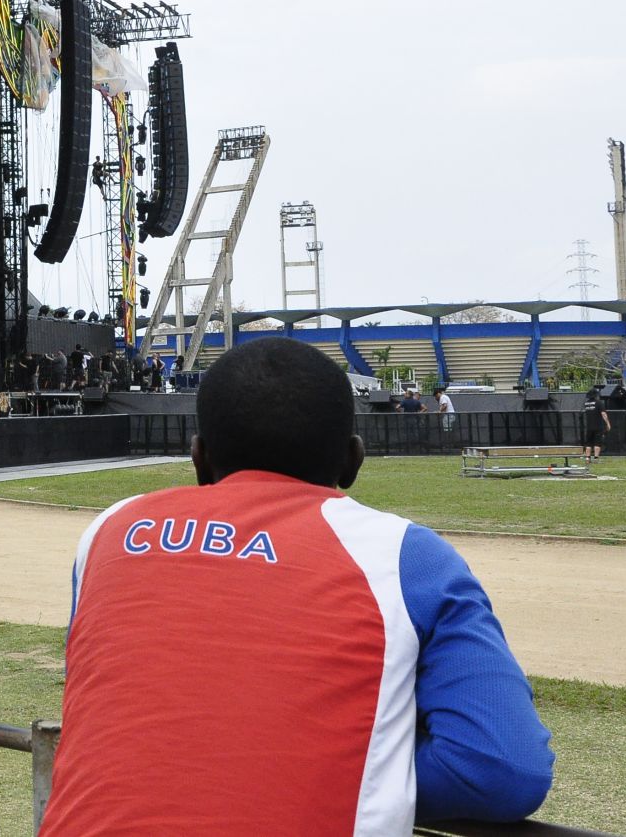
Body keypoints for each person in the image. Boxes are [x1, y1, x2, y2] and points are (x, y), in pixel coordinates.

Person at [40, 338, 553, 835]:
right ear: (352, 462)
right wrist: (347, 769)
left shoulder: (110, 530)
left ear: (198, 459)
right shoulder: (407, 555)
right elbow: (500, 771)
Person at [584, 395, 610, 461]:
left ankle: (587, 458)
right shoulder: (599, 403)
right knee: (597, 442)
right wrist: (607, 423)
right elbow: (603, 414)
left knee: (588, 443)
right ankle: (596, 458)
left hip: (589, 426)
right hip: (598, 426)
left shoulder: (586, 403)